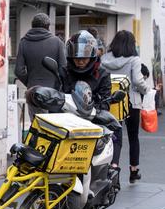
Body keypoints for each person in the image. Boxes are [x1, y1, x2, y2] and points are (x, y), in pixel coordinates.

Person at [101, 30, 159, 183]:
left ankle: (113, 167)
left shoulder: (104, 59)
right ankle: (134, 171)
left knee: (114, 136)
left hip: (111, 102)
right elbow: (138, 81)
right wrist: (148, 90)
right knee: (133, 137)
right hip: (131, 102)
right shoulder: (134, 60)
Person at [14, 13, 67, 90]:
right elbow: (63, 69)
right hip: (52, 90)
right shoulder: (57, 42)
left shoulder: (23, 42)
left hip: (32, 90)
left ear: (32, 26)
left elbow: (18, 71)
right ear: (48, 26)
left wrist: (29, 82)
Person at [64, 30, 111, 112]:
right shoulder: (64, 72)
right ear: (71, 58)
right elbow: (56, 97)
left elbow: (105, 104)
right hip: (66, 117)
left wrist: (95, 108)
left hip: (93, 119)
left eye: (84, 58)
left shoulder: (102, 75)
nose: (81, 62)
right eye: (77, 58)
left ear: (92, 57)